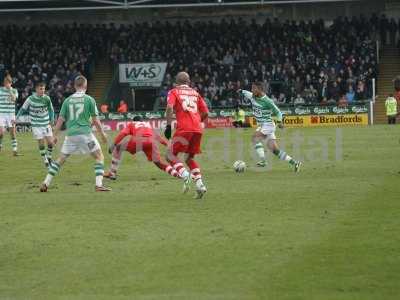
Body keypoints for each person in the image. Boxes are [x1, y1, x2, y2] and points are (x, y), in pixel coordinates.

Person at [40, 75, 111, 192]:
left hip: (71, 135)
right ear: (86, 86)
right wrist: (102, 134)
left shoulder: (67, 101)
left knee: (61, 159)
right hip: (85, 135)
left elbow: (60, 120)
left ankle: (45, 182)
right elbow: (95, 120)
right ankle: (98, 185)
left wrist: (53, 136)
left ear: (74, 86)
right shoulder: (89, 99)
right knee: (99, 157)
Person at [164, 72, 209, 199]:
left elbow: (169, 107)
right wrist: (196, 121)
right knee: (189, 159)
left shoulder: (174, 91)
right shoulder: (195, 93)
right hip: (197, 129)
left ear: (176, 82)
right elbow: (206, 112)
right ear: (189, 82)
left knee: (169, 155)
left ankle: (185, 175)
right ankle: (200, 185)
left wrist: (168, 126)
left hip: (184, 128)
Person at [239, 82, 301, 172]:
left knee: (255, 138)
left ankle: (263, 161)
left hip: (268, 125)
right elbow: (247, 93)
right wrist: (241, 91)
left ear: (259, 90)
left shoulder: (267, 101)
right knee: (275, 150)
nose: (252, 90)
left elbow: (278, 112)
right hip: (262, 125)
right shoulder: (253, 96)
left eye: (254, 89)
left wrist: (279, 122)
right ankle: (295, 163)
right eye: (251, 88)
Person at [104, 116, 182, 180]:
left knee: (118, 148)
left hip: (137, 140)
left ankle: (112, 173)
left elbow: (123, 133)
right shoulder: (148, 125)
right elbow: (158, 137)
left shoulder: (132, 124)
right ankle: (177, 174)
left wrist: (114, 144)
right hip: (151, 142)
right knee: (158, 162)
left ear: (134, 121)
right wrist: (168, 145)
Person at [16, 82, 55, 167]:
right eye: (41, 89)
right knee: (41, 142)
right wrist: (16, 118)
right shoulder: (30, 99)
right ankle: (45, 160)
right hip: (36, 125)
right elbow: (22, 109)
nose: (42, 90)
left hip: (46, 123)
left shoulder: (47, 98)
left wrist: (52, 120)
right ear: (36, 89)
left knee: (51, 143)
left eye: (44, 89)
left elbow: (51, 110)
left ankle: (49, 157)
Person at [0, 75, 19, 155]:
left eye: (8, 83)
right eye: (5, 83)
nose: (7, 84)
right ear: (4, 83)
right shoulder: (0, 90)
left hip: (11, 114)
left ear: (11, 83)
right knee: (1, 132)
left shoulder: (14, 90)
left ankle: (15, 150)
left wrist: (9, 90)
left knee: (12, 133)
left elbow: (14, 99)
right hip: (1, 113)